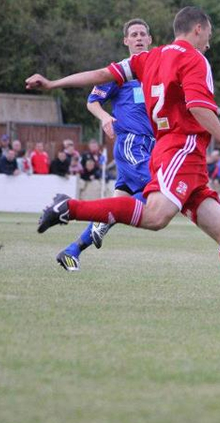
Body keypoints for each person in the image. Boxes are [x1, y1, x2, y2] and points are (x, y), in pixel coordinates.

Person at [26, 6, 220, 311]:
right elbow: (198, 107)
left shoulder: (149, 58)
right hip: (181, 149)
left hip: (179, 155)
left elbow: (101, 75)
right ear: (197, 29)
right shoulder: (194, 58)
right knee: (155, 216)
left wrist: (53, 83)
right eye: (208, 33)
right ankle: (69, 208)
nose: (209, 41)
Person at [57, 18, 155, 272]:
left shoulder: (157, 71)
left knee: (118, 203)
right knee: (157, 192)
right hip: (132, 144)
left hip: (152, 146)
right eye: (133, 34)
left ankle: (72, 251)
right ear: (126, 41)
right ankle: (85, 217)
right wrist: (104, 118)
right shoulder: (119, 73)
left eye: (143, 34)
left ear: (151, 39)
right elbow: (92, 101)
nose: (139, 38)